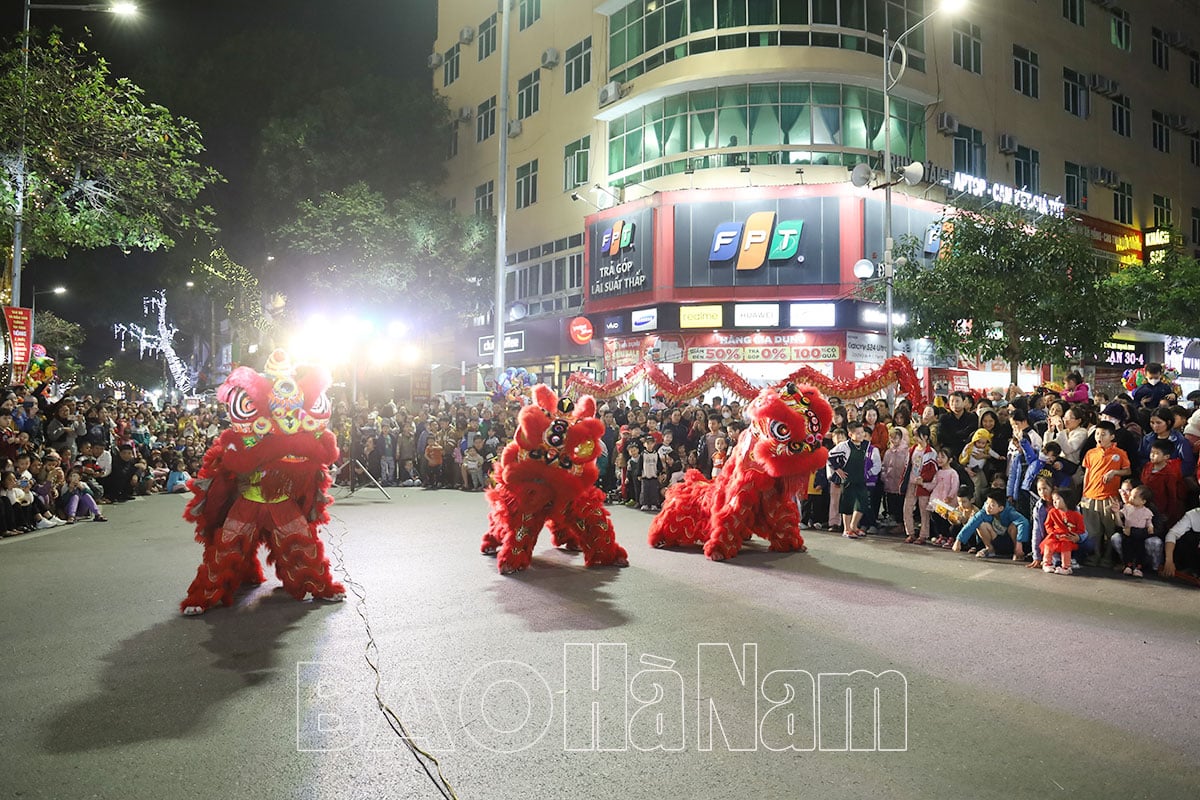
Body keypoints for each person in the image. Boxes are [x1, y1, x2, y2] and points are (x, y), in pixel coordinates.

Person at [1079, 420, 1131, 567]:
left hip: (1110, 497)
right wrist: (1083, 494)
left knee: (1110, 530)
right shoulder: (1090, 453)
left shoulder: (1120, 453)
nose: (1099, 437)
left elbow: (1128, 470)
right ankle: (1095, 555)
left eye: (1103, 434)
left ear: (1112, 436)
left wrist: (1115, 472)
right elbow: (1087, 474)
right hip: (1090, 496)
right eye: (1097, 433)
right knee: (1093, 531)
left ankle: (1108, 557)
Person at [827, 421, 881, 539]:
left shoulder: (866, 445)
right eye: (858, 433)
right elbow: (830, 456)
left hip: (861, 478)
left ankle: (854, 526)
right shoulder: (844, 446)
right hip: (848, 480)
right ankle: (846, 529)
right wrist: (837, 469)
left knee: (862, 504)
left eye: (862, 432)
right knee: (847, 504)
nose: (861, 435)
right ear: (850, 434)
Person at [953, 488, 1031, 559]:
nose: (988, 507)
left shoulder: (1010, 512)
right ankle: (990, 550)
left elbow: (1023, 522)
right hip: (996, 539)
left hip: (1009, 541)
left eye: (992, 505)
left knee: (1014, 526)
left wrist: (1019, 544)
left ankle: (1017, 553)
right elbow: (972, 523)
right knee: (981, 524)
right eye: (987, 503)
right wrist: (959, 540)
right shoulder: (984, 511)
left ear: (1001, 508)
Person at [902, 425, 937, 544]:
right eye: (915, 436)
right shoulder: (912, 450)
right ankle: (910, 533)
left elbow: (933, 470)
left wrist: (924, 478)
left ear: (926, 436)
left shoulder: (931, 452)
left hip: (923, 485)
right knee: (907, 508)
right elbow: (907, 467)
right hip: (912, 483)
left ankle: (923, 535)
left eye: (918, 436)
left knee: (924, 511)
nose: (916, 438)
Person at [1041, 489, 1084, 574]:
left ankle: (1066, 567)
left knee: (1066, 545)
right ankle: (1047, 563)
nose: (1054, 502)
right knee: (1048, 543)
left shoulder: (1076, 515)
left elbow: (1081, 529)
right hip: (1055, 535)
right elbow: (1048, 524)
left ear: (1066, 500)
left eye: (1057, 499)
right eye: (1053, 500)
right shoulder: (1052, 512)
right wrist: (1052, 532)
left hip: (1068, 537)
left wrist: (1074, 535)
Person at [1116, 485, 1154, 577]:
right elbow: (1120, 514)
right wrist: (1116, 511)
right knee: (1127, 549)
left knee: (1140, 551)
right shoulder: (1127, 507)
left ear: (1143, 501)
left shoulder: (1147, 512)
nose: (1131, 498)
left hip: (1140, 536)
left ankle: (1138, 568)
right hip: (1128, 535)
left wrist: (1150, 527)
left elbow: (1149, 522)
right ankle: (1127, 566)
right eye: (1131, 496)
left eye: (1134, 497)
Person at [1162, 507, 1200, 584]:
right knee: (1188, 537)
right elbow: (1172, 534)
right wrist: (1169, 560)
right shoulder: (1192, 514)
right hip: (1192, 554)